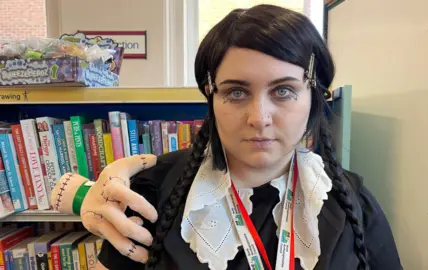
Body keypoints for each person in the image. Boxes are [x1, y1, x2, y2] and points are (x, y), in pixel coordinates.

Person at [75, 4, 402, 270]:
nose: (259, 118)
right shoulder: (151, 195)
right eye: (236, 92)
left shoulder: (352, 203)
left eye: (284, 90)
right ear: (211, 95)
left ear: (313, 96)